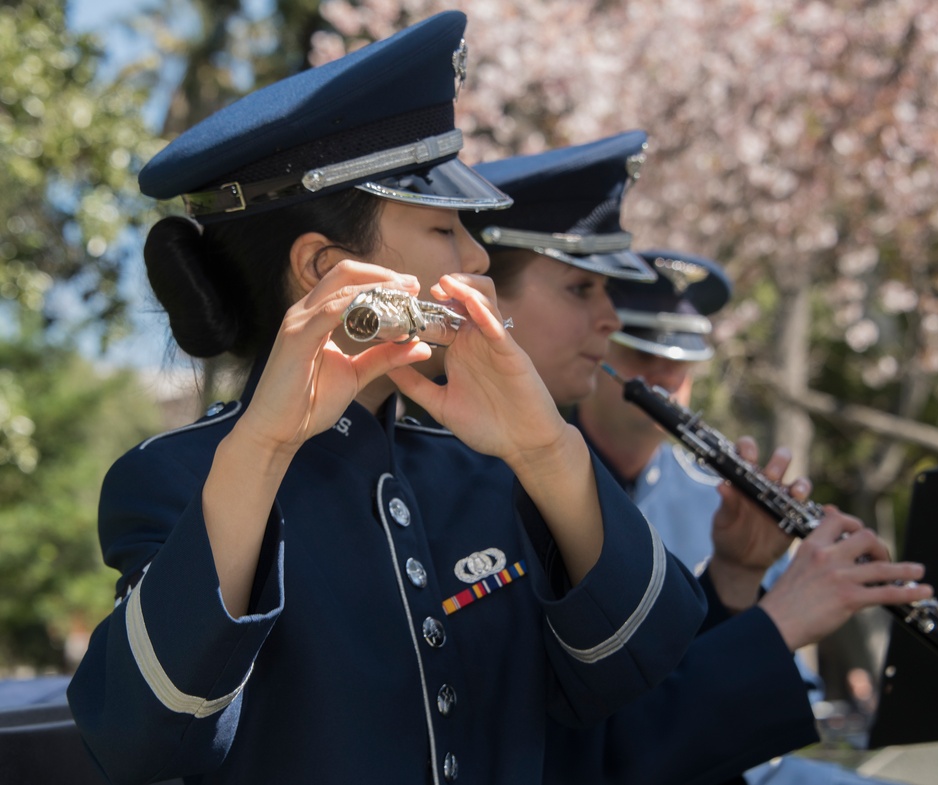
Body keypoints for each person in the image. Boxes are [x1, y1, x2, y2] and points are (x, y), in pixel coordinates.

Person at [65, 14, 709, 785]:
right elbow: (139, 739)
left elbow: (644, 660)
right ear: (325, 269)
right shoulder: (175, 477)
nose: (477, 258)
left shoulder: (489, 464)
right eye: (444, 230)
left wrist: (547, 450)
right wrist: (264, 449)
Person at [462, 133, 933, 784]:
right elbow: (599, 756)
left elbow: (640, 688)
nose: (609, 318)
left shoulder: (538, 473)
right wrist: (779, 622)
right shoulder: (467, 485)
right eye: (581, 288)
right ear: (484, 300)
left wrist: (736, 580)